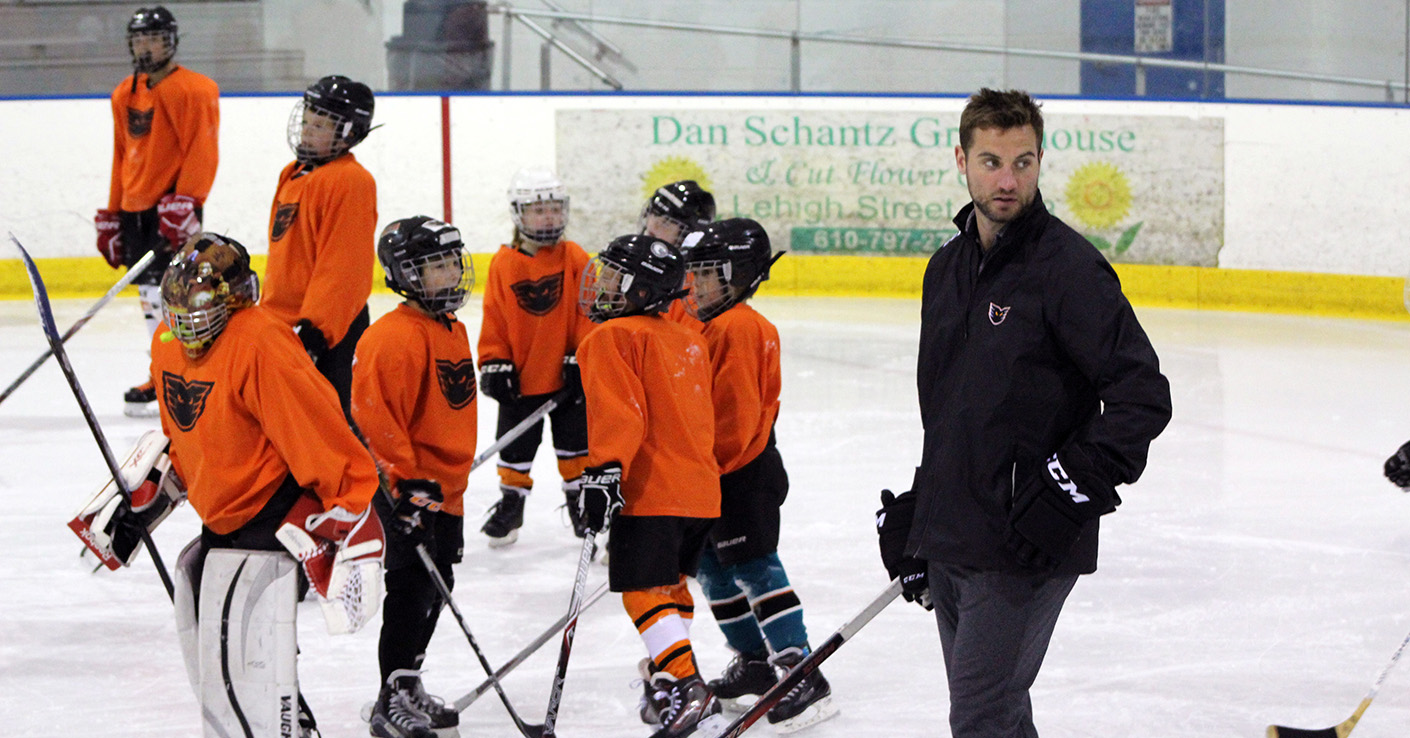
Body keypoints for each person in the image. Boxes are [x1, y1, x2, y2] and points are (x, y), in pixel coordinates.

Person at [874, 88, 1172, 738]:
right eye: (990, 161)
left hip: (1026, 544)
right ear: (962, 159)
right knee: (998, 717)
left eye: (1022, 163)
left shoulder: (1068, 271)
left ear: (1040, 162)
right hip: (958, 532)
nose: (1006, 180)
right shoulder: (946, 270)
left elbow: (1141, 394)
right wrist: (925, 518)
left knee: (980, 716)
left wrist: (1069, 488)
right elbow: (955, 412)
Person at [153, 233, 383, 737]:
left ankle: (284, 723)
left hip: (273, 515)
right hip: (220, 518)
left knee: (250, 652)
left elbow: (316, 428)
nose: (188, 325)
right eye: (179, 311)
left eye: (203, 310)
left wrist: (351, 510)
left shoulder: (261, 341)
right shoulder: (167, 344)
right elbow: (190, 433)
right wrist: (153, 490)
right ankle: (292, 720)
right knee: (213, 647)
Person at [679, 218, 836, 733]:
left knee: (755, 567)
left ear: (742, 274)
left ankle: (799, 667)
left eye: (709, 274)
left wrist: (696, 469)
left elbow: (735, 421)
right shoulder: (703, 322)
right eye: (694, 273)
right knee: (712, 569)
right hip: (708, 472)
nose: (695, 285)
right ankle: (753, 662)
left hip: (740, 472)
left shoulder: (741, 328)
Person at [575, 234, 724, 738]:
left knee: (641, 591)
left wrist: (602, 472)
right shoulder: (688, 338)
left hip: (651, 490)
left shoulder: (609, 338)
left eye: (617, 278)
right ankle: (669, 681)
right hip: (700, 492)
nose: (605, 285)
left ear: (642, 289)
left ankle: (686, 685)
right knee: (670, 589)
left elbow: (622, 415)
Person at [352, 216, 478, 738]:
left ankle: (408, 681)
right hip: (407, 490)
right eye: (435, 266)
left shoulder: (454, 329)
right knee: (409, 588)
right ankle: (392, 697)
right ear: (405, 273)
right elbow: (373, 419)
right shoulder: (392, 337)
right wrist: (403, 486)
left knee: (439, 583)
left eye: (453, 261)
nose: (450, 273)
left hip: (446, 489)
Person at [97, 5, 219, 417]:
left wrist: (187, 200)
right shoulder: (124, 93)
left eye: (154, 38)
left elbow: (202, 148)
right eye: (139, 39)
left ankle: (186, 369)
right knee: (151, 298)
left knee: (178, 295)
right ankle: (161, 371)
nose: (146, 46)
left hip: (172, 206)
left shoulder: (194, 88)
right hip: (136, 210)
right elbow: (120, 156)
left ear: (171, 41)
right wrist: (112, 213)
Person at [476, 166, 595, 547]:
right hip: (522, 380)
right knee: (515, 447)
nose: (549, 217)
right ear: (518, 213)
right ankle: (512, 503)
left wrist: (582, 355)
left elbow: (588, 311)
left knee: (577, 444)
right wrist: (495, 360)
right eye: (538, 209)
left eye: (555, 209)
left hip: (567, 381)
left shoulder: (574, 257)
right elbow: (494, 317)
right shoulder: (503, 263)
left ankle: (580, 502)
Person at [262, 74, 378, 425]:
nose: (308, 131)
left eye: (321, 125)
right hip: (282, 325)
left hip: (329, 330)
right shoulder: (293, 173)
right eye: (308, 121)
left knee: (332, 424)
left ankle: (368, 482)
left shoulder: (350, 180)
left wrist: (315, 330)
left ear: (349, 133)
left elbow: (343, 267)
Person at [639, 179, 716, 332]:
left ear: (687, 234)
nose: (651, 226)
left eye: (666, 222)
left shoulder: (695, 288)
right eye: (652, 213)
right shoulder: (641, 266)